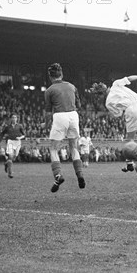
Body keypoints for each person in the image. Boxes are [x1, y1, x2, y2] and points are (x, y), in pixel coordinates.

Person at [89, 75, 137, 173]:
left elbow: (119, 114)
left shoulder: (108, 103)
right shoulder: (115, 84)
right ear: (106, 87)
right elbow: (129, 78)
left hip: (131, 109)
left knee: (130, 138)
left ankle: (129, 163)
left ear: (101, 94)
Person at [42, 63, 85, 192]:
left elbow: (49, 113)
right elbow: (79, 105)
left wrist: (46, 124)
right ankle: (80, 175)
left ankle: (58, 175)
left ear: (50, 76)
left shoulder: (49, 90)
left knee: (54, 149)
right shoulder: (72, 86)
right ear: (62, 74)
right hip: (73, 115)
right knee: (73, 147)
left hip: (60, 116)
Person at [0, 114, 26, 179]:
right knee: (10, 156)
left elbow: (24, 135)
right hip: (10, 142)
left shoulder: (20, 126)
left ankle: (6, 163)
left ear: (17, 119)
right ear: (11, 119)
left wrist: (20, 137)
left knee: (14, 158)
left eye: (15, 117)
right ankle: (10, 173)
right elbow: (2, 134)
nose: (14, 118)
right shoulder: (7, 127)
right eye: (12, 117)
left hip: (17, 142)